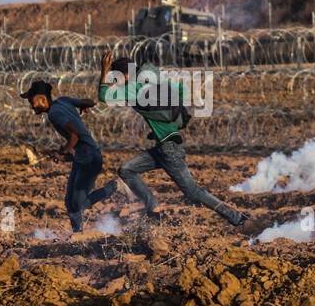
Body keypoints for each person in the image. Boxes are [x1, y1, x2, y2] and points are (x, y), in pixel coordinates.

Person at [97, 49, 246, 227]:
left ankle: (235, 217)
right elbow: (181, 90)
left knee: (193, 192)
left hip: (169, 150)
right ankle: (152, 207)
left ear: (125, 76)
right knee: (126, 170)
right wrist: (167, 116)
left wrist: (104, 70)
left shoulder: (133, 87)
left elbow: (103, 96)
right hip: (162, 147)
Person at [21, 80, 117, 232]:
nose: (32, 106)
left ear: (42, 99)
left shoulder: (54, 113)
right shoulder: (63, 101)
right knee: (69, 202)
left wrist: (62, 152)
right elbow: (90, 102)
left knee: (79, 203)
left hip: (89, 157)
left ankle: (114, 188)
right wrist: (83, 105)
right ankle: (77, 233)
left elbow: (75, 136)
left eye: (32, 102)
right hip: (83, 155)